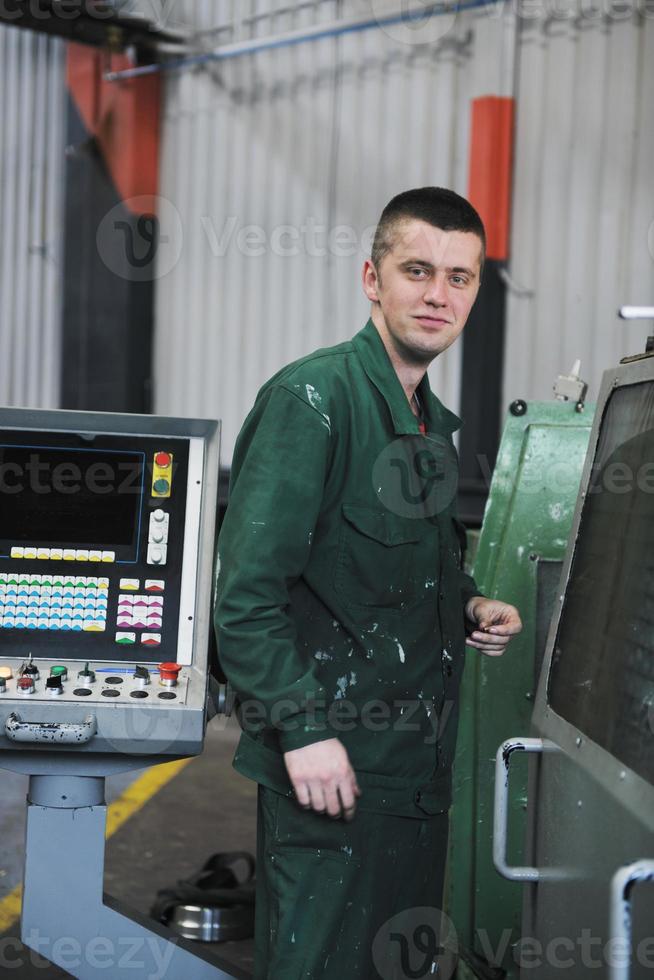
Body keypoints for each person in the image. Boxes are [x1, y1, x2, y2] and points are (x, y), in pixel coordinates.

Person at [214, 186, 522, 979]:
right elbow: (245, 599)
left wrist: (470, 603)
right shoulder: (313, 401)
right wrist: (304, 730)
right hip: (332, 777)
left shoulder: (427, 426)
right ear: (372, 279)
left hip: (413, 782)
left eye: (460, 277)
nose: (437, 294)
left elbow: (397, 571)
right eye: (417, 269)